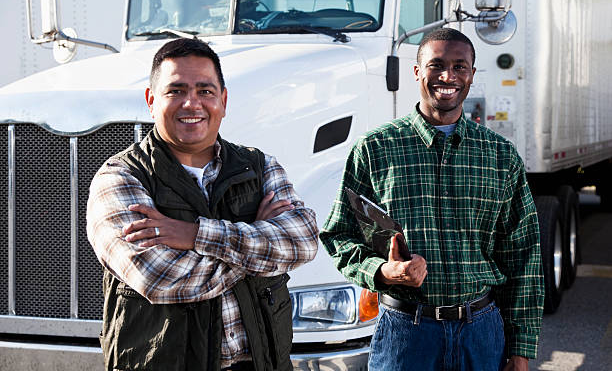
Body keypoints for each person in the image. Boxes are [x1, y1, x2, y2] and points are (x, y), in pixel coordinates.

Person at [87, 38, 319, 371]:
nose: (191, 104)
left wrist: (196, 235)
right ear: (151, 101)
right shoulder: (120, 177)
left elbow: (304, 241)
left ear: (223, 101)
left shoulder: (260, 166)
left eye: (205, 91)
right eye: (176, 91)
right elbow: (160, 278)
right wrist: (260, 242)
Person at [320, 28, 544, 371]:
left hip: (481, 333)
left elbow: (523, 256)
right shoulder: (375, 149)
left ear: (471, 74)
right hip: (405, 335)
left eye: (460, 67)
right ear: (416, 71)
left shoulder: (500, 156)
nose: (447, 76)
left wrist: (521, 349)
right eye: (436, 65)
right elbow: (339, 235)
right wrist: (382, 270)